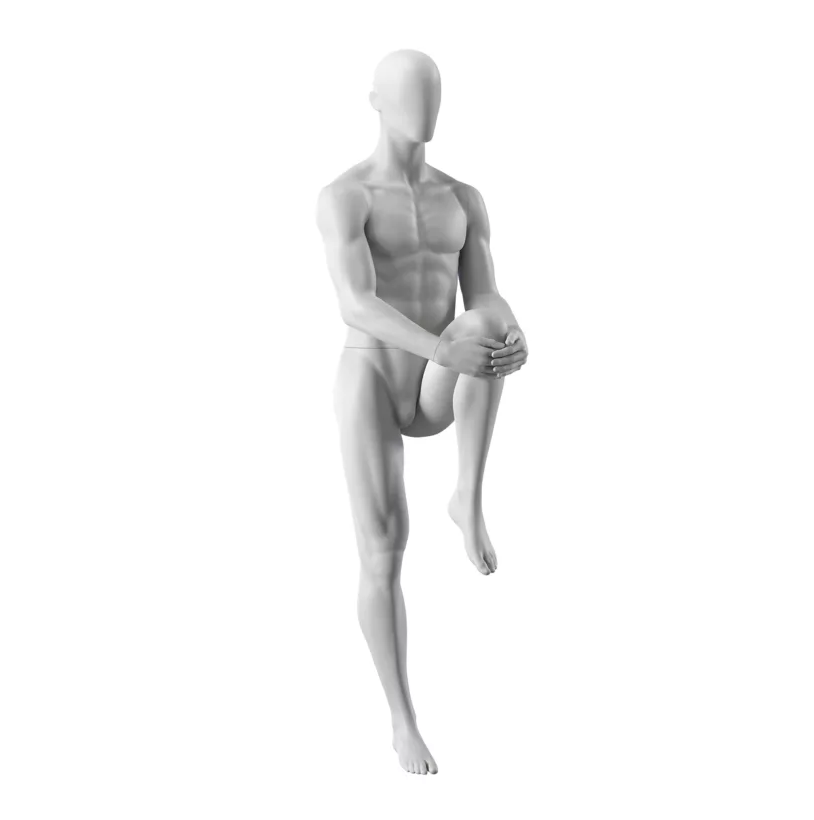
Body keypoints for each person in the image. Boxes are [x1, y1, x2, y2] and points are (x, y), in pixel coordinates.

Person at [315, 49, 529, 775]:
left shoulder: (463, 198)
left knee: (489, 324)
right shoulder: (345, 195)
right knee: (382, 548)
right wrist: (442, 345)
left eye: (432, 91)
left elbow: (484, 293)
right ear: (375, 100)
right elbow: (355, 303)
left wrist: (511, 330)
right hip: (374, 375)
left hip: (441, 380)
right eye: (408, 92)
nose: (423, 105)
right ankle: (402, 720)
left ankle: (467, 494)